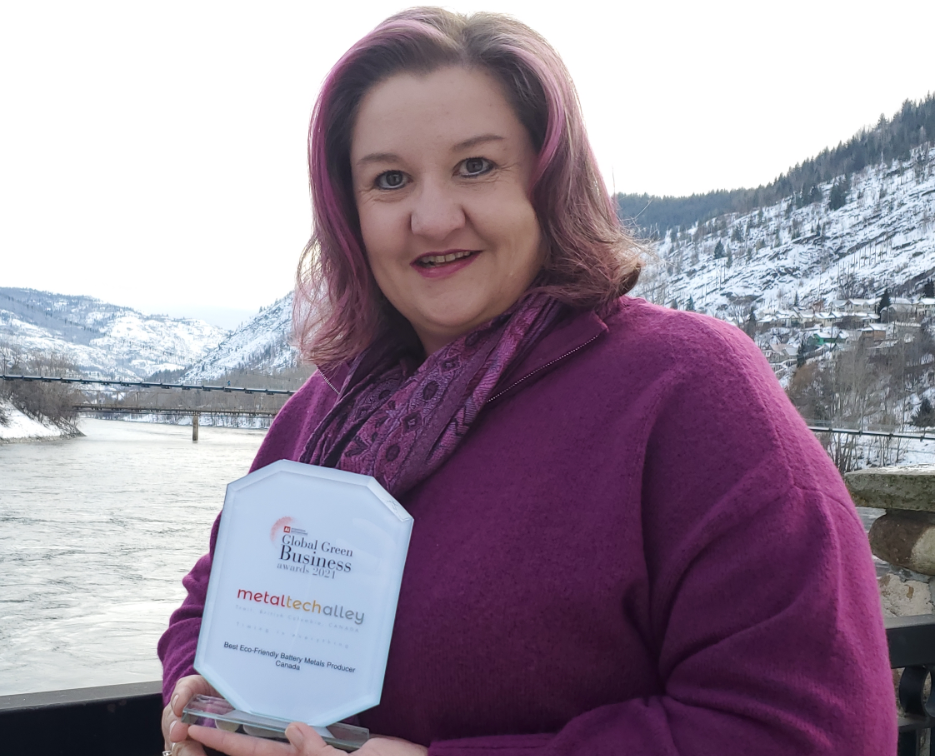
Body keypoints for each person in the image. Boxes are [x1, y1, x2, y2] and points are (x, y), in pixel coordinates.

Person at [159, 7, 894, 755]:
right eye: (389, 180)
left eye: (476, 166)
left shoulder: (688, 390)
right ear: (350, 215)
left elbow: (813, 731)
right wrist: (199, 689)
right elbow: (208, 605)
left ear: (550, 184)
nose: (434, 216)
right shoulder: (328, 409)